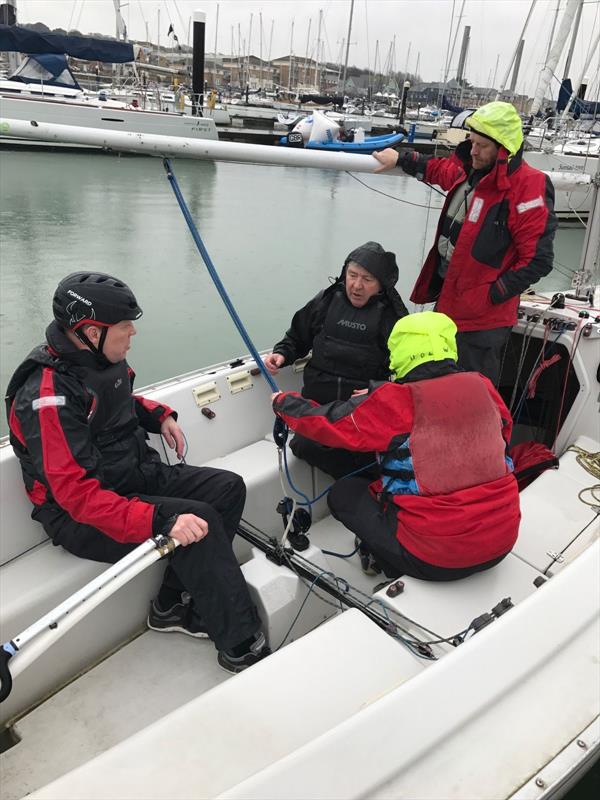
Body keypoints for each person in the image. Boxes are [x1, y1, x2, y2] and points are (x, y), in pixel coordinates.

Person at [6, 271, 269, 674]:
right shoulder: (47, 398)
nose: (133, 334)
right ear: (91, 331)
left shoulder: (96, 360)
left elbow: (115, 403)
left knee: (227, 488)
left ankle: (170, 605)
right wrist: (162, 519)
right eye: (125, 327)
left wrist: (158, 415)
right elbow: (77, 496)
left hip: (129, 475)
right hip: (79, 516)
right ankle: (241, 648)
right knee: (201, 523)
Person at [272, 311, 520, 581]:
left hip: (433, 557)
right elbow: (503, 435)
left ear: (399, 352)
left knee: (343, 493)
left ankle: (390, 565)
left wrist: (283, 403)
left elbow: (329, 423)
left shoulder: (396, 401)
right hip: (503, 541)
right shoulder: (482, 385)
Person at [373, 101, 557, 385]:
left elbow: (537, 259)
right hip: (449, 304)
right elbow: (441, 172)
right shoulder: (473, 171)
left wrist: (491, 294)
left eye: (482, 145)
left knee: (473, 394)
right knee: (440, 386)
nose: (473, 151)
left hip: (482, 320)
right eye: (472, 142)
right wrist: (400, 159)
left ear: (503, 148)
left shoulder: (528, 186)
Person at [264, 241, 409, 479]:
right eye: (352, 275)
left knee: (368, 454)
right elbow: (297, 336)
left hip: (359, 413)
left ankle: (355, 488)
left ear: (382, 284)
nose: (357, 285)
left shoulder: (394, 318)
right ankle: (354, 485)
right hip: (317, 407)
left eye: (367, 279)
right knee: (303, 445)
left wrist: (378, 390)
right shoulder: (326, 301)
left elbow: (407, 375)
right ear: (344, 273)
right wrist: (282, 354)